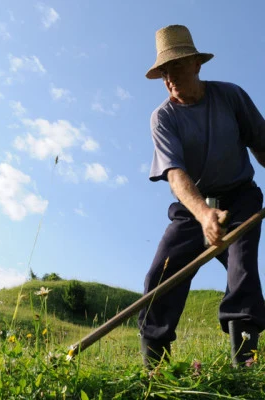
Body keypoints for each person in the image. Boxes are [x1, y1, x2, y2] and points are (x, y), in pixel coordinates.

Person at [138, 24, 265, 368]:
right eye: (164, 71)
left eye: (176, 66)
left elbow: (262, 144)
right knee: (160, 275)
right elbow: (175, 174)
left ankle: (245, 363)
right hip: (192, 206)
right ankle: (156, 369)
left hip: (240, 197)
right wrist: (203, 214)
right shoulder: (163, 117)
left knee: (241, 268)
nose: (170, 78)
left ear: (196, 64)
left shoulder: (230, 96)